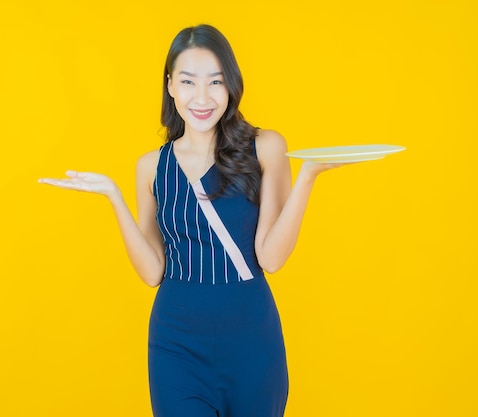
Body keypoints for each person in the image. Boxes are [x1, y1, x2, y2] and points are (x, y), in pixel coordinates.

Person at [39, 24, 351, 417]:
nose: (201, 97)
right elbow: (153, 272)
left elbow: (271, 258)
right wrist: (113, 196)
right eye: (188, 82)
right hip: (177, 346)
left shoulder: (266, 147)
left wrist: (307, 177)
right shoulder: (151, 168)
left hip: (253, 341)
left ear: (231, 86)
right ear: (170, 85)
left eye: (215, 82)